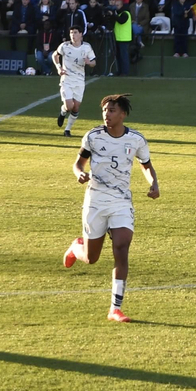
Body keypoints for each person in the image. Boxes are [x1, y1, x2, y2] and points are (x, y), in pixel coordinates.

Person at [61, 93, 159, 324]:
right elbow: (78, 163)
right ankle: (77, 248)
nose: (107, 114)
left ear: (123, 114)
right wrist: (79, 173)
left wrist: (154, 183)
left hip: (121, 201)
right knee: (91, 258)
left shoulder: (135, 139)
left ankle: (115, 308)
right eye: (105, 110)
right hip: (95, 200)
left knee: (122, 246)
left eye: (112, 110)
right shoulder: (93, 136)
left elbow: (146, 165)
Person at [52, 26, 98, 137]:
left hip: (79, 81)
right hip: (67, 79)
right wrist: (58, 67)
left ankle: (67, 130)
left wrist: (89, 62)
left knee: (76, 107)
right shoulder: (65, 46)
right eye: (71, 32)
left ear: (81, 34)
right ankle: (63, 112)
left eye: (75, 32)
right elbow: (55, 55)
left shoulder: (86, 47)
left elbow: (94, 62)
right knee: (69, 106)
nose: (73, 35)